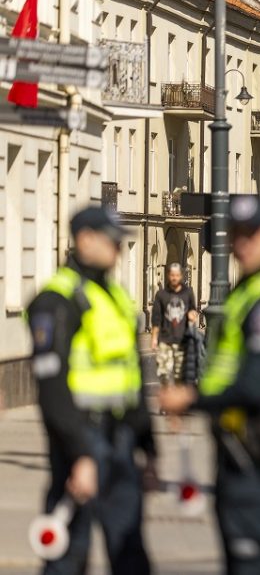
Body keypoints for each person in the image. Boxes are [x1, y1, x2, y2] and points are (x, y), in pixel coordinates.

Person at [159, 197, 260, 575]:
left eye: (251, 235)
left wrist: (191, 398)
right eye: (236, 236)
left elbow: (258, 384)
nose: (242, 245)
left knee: (253, 561)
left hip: (259, 444)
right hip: (236, 444)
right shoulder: (247, 292)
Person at [26, 206, 157, 574]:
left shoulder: (113, 296)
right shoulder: (57, 301)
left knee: (130, 551)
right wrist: (79, 454)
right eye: (111, 242)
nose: (117, 250)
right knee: (69, 552)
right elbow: (51, 388)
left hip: (121, 439)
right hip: (80, 437)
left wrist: (148, 447)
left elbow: (132, 376)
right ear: (85, 240)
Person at [151, 262, 198, 386]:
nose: (174, 278)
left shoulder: (187, 293)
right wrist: (154, 338)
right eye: (172, 275)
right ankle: (166, 400)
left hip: (182, 339)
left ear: (181, 276)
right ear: (168, 275)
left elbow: (193, 309)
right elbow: (156, 317)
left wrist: (192, 314)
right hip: (164, 339)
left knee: (180, 375)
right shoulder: (161, 294)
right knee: (163, 374)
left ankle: (177, 402)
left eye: (177, 275)